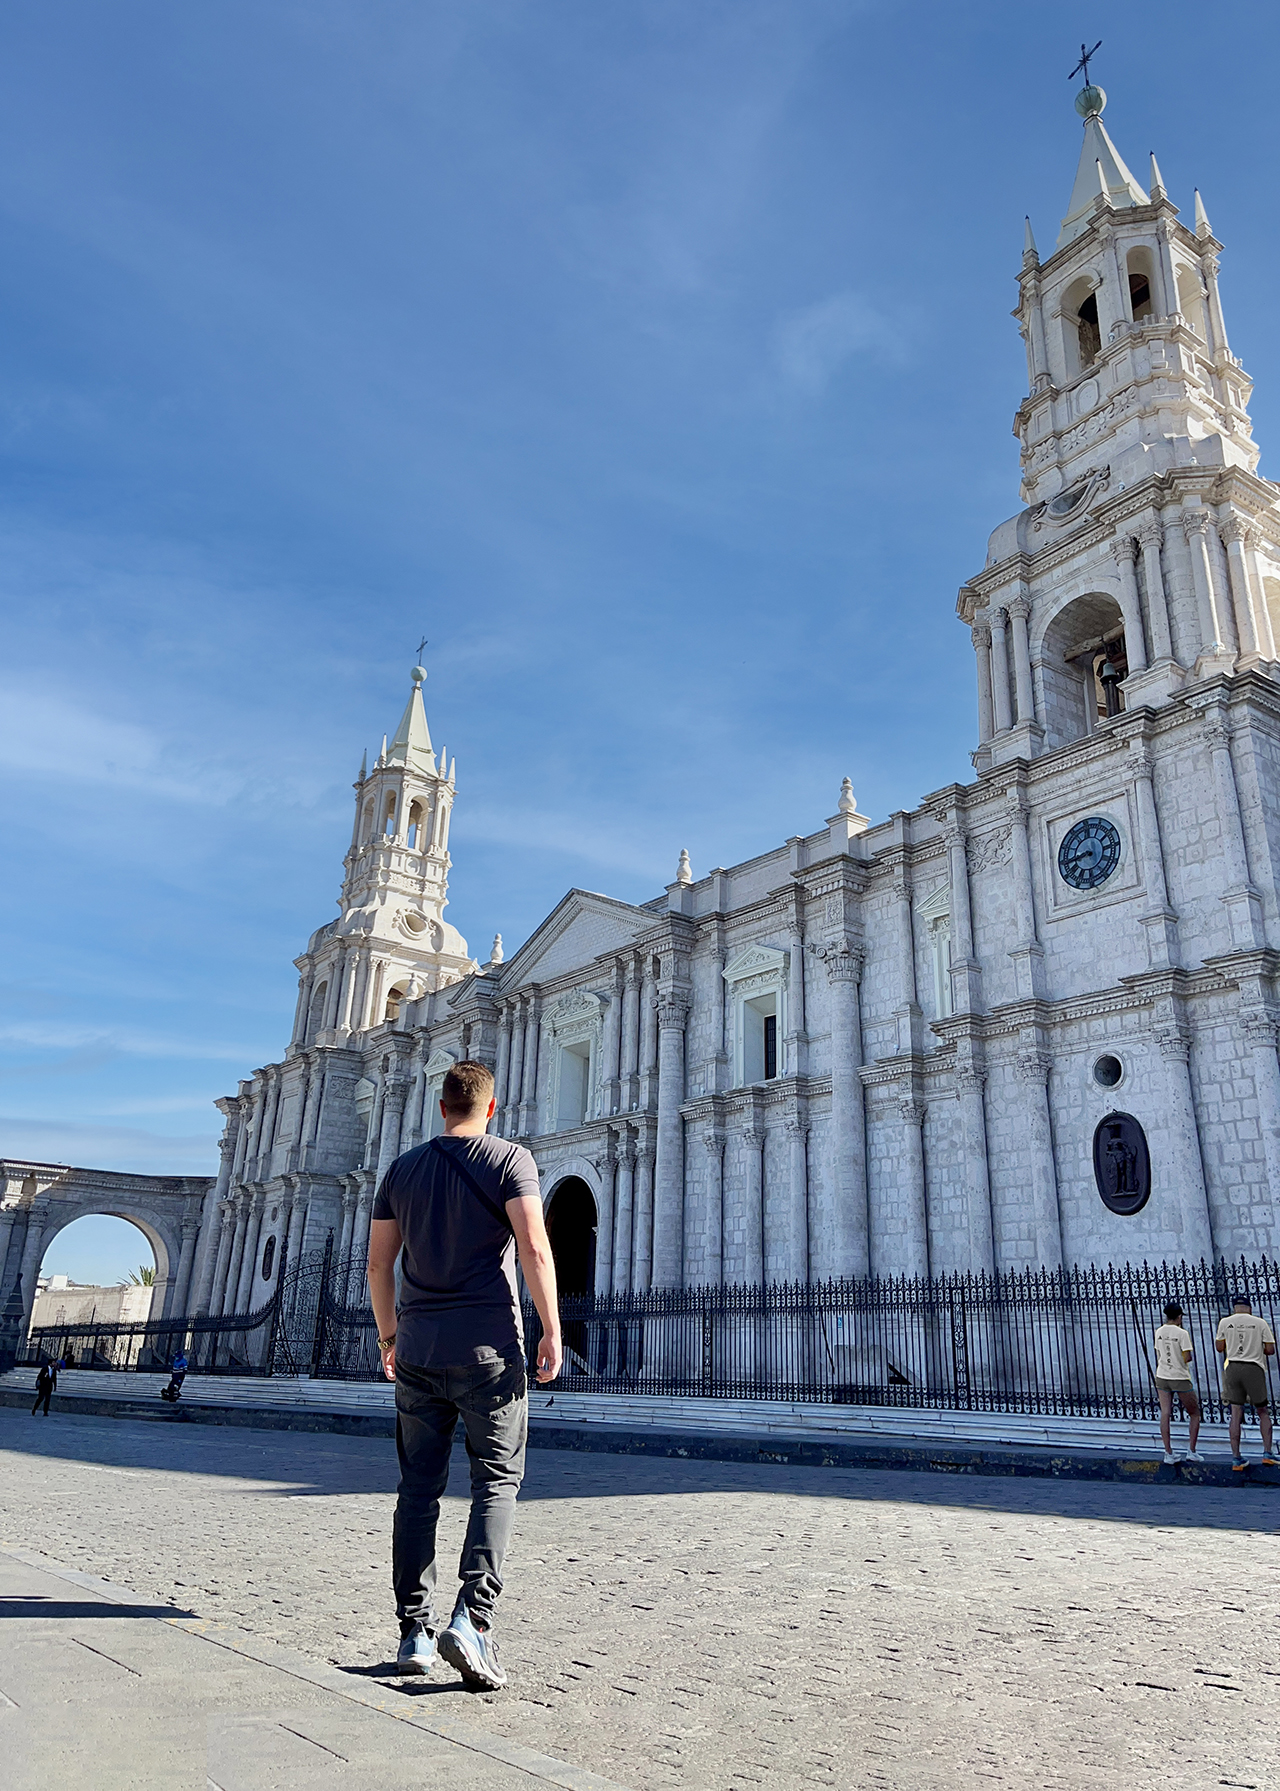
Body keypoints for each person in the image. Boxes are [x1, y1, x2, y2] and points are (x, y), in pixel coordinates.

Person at [366, 1059, 561, 1690]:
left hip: (417, 1352)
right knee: (496, 1481)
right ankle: (473, 1619)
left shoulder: (401, 1170)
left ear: (441, 1105)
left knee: (417, 1489)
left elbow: (378, 1265)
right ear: (491, 1107)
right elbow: (534, 1248)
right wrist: (552, 1328)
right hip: (489, 1351)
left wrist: (389, 1335)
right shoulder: (510, 1160)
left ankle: (413, 1632)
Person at [1214, 1296, 1277, 1470]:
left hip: (1232, 1367)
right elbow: (1270, 1349)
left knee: (1235, 1412)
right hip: (1253, 1368)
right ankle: (1267, 1453)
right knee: (1262, 1410)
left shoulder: (1224, 1322)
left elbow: (1219, 1347)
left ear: (1235, 1308)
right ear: (1249, 1308)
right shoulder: (1260, 1323)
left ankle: (1236, 1458)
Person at [1152, 1301, 1202, 1463]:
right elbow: (1187, 1357)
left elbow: (1159, 1352)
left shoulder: (1159, 1331)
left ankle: (1168, 1452)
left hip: (1162, 1375)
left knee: (1165, 1412)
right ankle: (1191, 1450)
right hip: (1179, 1376)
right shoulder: (1182, 1333)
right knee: (1194, 1413)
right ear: (1179, 1316)